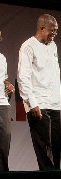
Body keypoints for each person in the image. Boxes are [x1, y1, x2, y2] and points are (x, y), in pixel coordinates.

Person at [17, 14, 61, 170]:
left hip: (55, 103)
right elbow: (23, 77)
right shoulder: (28, 46)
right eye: (52, 31)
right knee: (44, 149)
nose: (54, 35)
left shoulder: (53, 46)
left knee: (57, 146)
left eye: (56, 32)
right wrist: (32, 103)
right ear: (42, 28)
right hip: (39, 103)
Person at [0, 31, 15, 171]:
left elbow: (3, 78)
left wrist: (8, 84)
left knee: (4, 145)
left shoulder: (2, 58)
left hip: (3, 105)